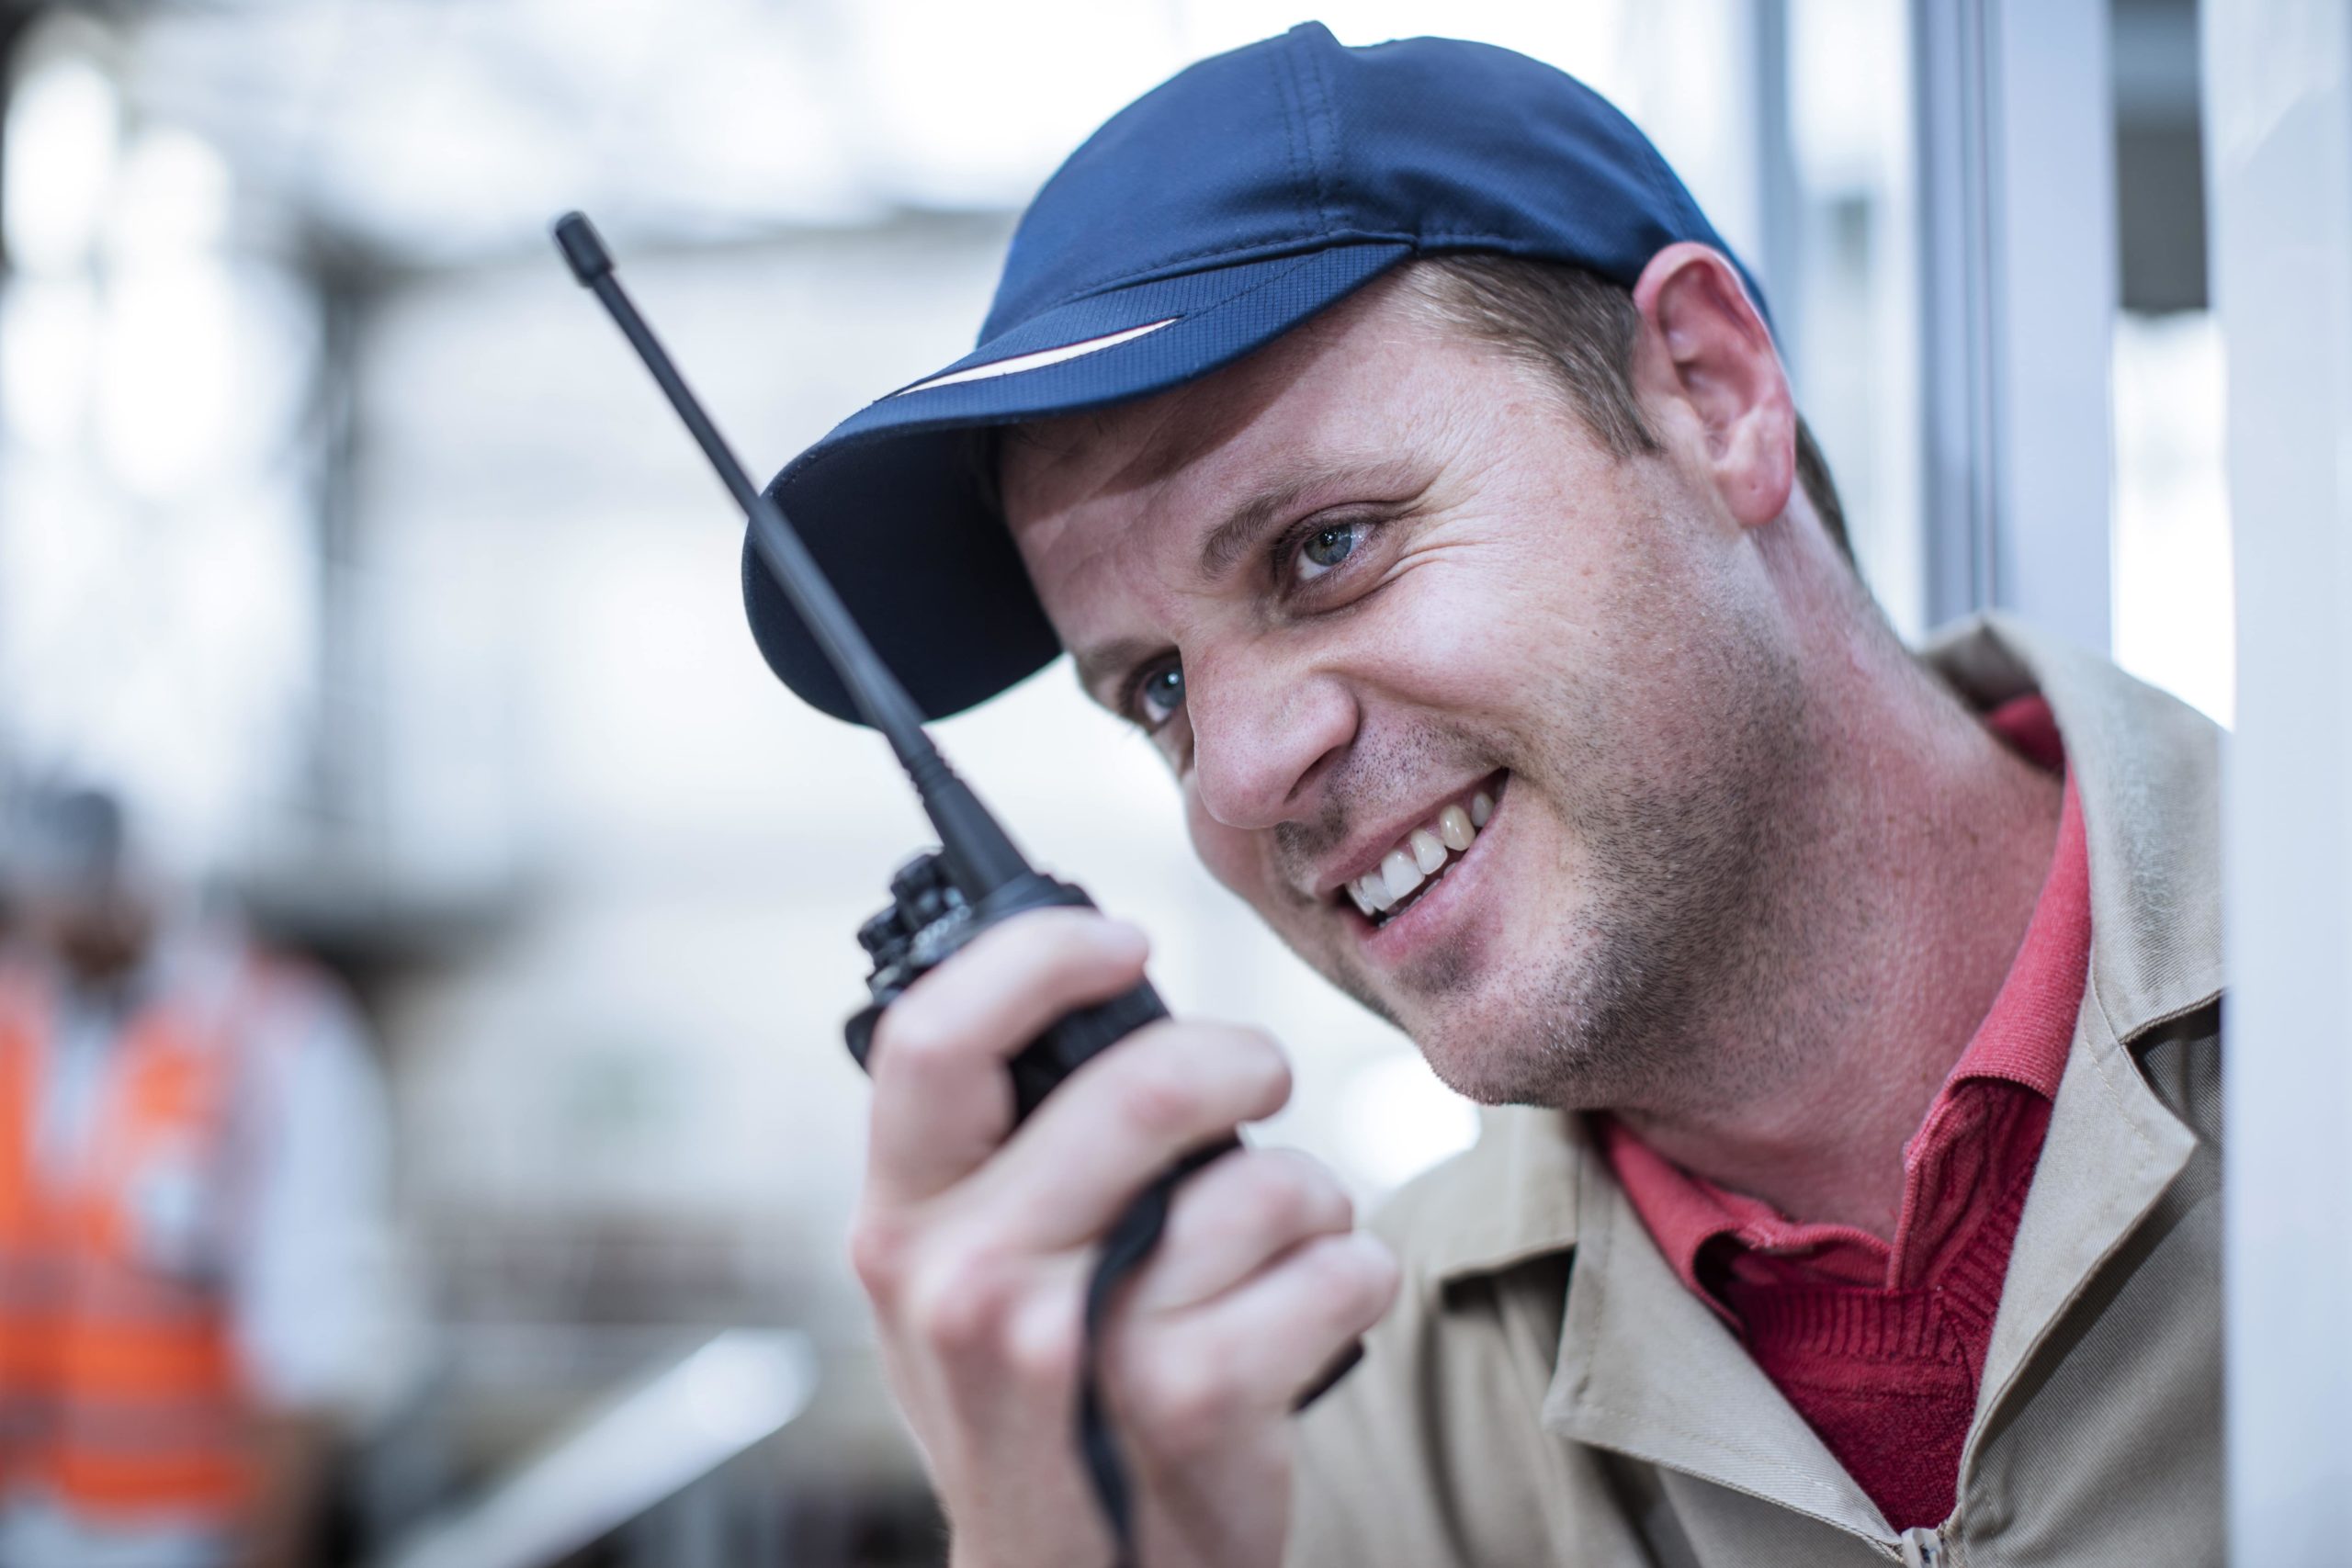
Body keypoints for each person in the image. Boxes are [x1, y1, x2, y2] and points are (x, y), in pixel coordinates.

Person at [741, 24, 2222, 1567]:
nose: (1242, 774)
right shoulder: (1303, 1447)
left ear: (1712, 393)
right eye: (1157, 690)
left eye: (1327, 545)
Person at [0, 786, 413, 1568]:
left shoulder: (276, 1033)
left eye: (77, 898)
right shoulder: (17, 1018)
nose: (52, 924)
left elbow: (307, 1339)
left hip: (178, 1530)